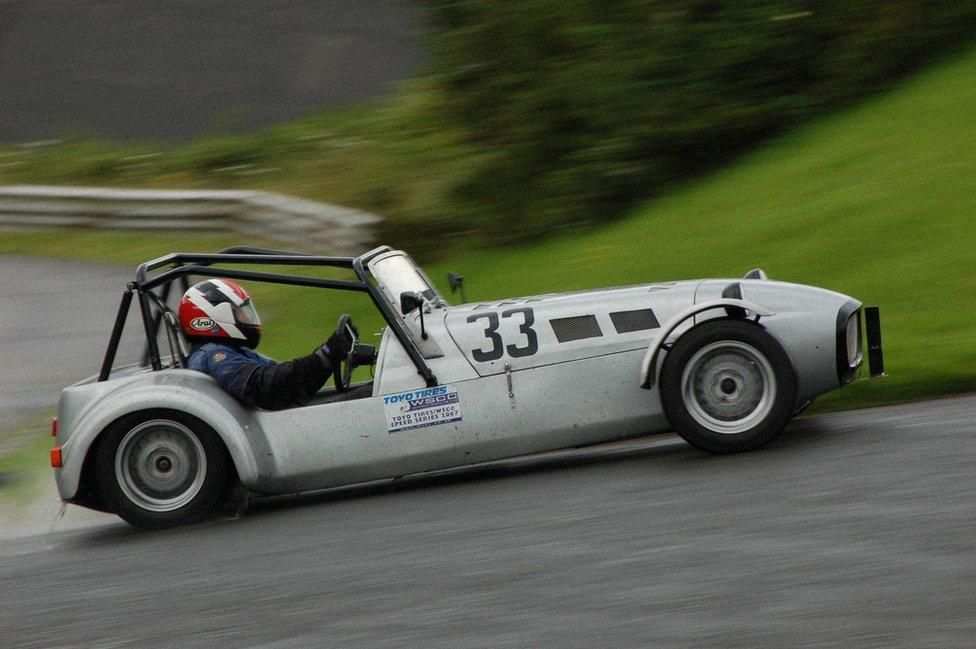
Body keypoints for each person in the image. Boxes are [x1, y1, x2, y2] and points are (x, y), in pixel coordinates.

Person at [178, 278, 357, 410]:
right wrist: (325, 354)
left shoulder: (231, 351)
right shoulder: (213, 356)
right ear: (215, 316)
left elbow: (291, 384)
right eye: (240, 313)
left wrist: (326, 357)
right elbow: (268, 387)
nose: (246, 318)